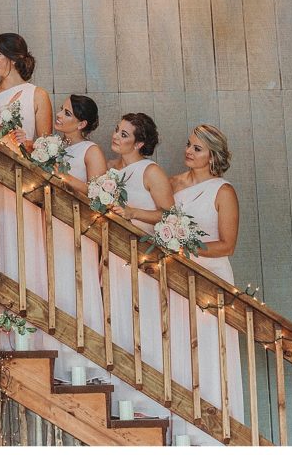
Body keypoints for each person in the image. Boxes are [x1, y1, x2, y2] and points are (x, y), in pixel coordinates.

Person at [168, 124, 244, 445]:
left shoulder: (223, 191)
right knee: (178, 344)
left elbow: (227, 244)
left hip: (212, 275)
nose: (188, 151)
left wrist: (185, 244)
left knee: (212, 347)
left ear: (212, 155)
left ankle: (216, 435)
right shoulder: (172, 183)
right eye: (189, 144)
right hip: (175, 274)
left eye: (197, 148)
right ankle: (181, 431)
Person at [0, 33, 52, 349]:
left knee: (23, 251)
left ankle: (27, 334)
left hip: (23, 188)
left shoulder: (37, 95)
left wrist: (28, 143)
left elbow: (48, 149)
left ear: (14, 58)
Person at [104, 112, 175, 419]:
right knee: (117, 325)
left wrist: (132, 213)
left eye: (124, 134)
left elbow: (169, 215)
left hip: (142, 258)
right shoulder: (109, 169)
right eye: (116, 130)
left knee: (142, 327)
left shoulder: (150, 171)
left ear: (140, 143)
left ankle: (149, 404)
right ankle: (122, 400)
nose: (116, 136)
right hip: (111, 254)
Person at [47, 95, 107, 381]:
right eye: (61, 109)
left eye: (67, 113)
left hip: (79, 228)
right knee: (57, 287)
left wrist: (65, 178)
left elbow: (100, 195)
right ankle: (58, 358)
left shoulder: (90, 151)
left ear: (82, 124)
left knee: (78, 286)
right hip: (52, 226)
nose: (59, 115)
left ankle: (85, 361)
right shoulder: (54, 147)